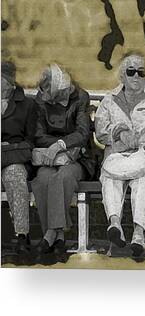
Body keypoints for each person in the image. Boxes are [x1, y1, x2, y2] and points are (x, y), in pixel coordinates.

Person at [95, 54, 145, 256]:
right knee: (110, 179)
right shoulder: (110, 100)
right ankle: (115, 224)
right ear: (123, 75)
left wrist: (133, 137)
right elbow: (100, 129)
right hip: (115, 160)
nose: (136, 76)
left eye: (141, 72)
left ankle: (138, 234)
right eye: (131, 71)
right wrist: (118, 132)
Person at [31, 64, 95, 254]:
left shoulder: (81, 97)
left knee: (63, 178)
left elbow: (83, 133)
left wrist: (62, 146)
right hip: (50, 157)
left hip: (77, 158)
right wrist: (58, 149)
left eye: (50, 92)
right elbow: (38, 134)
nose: (46, 96)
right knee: (42, 180)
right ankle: (58, 236)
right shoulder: (41, 99)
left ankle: (50, 233)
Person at [1, 61, 36, 254]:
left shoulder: (27, 105)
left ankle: (22, 234)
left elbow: (32, 141)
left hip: (14, 158)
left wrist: (10, 147)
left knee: (15, 176)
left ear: (8, 82)